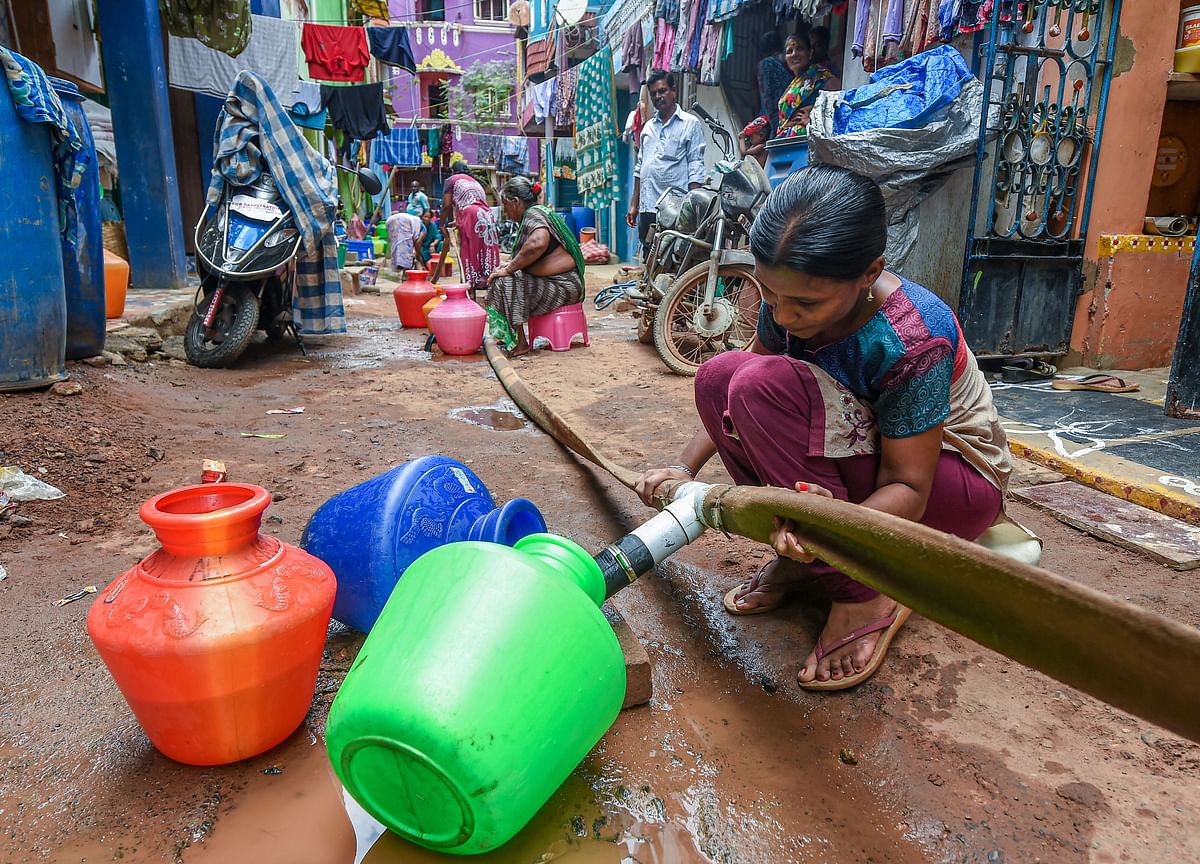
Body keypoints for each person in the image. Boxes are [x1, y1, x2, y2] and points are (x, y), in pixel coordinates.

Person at [635, 166, 1011, 691]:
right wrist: (682, 466)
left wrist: (819, 524)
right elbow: (731, 391)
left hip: (950, 487)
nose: (784, 315)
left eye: (805, 304)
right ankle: (814, 561)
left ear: (868, 272)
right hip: (861, 469)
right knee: (722, 375)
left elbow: (910, 488)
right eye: (770, 296)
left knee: (760, 385)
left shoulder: (912, 335)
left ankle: (863, 593)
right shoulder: (786, 298)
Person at [486, 176, 585, 357]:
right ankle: (512, 337)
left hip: (564, 286)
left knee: (506, 281)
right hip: (561, 283)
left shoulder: (533, 214)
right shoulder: (539, 213)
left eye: (505, 206)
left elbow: (538, 242)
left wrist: (509, 269)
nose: (506, 213)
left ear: (515, 202)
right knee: (503, 277)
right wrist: (509, 266)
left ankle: (520, 342)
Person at [625, 70, 706, 258]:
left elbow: (695, 166)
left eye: (662, 91)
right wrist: (634, 204)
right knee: (649, 256)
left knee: (673, 259)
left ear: (674, 91)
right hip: (648, 207)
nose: (657, 96)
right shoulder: (648, 128)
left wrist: (693, 208)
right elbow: (640, 167)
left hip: (674, 208)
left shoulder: (689, 124)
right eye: (653, 93)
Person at [441, 161, 500, 294]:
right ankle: (490, 287)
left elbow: (446, 205)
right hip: (487, 215)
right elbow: (475, 203)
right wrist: (458, 222)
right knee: (486, 250)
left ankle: (470, 292)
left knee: (469, 249)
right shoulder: (474, 182)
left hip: (470, 214)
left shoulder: (452, 180)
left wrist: (441, 224)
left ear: (453, 171)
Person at [777, 31, 838, 139]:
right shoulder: (793, 84)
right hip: (786, 143)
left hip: (807, 141)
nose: (794, 54)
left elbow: (836, 103)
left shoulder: (821, 75)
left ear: (810, 53)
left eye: (800, 49)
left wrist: (812, 117)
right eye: (789, 51)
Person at [756, 31, 791, 136]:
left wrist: (768, 122)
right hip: (789, 113)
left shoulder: (766, 64)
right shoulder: (791, 61)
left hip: (774, 117)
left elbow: (767, 94)